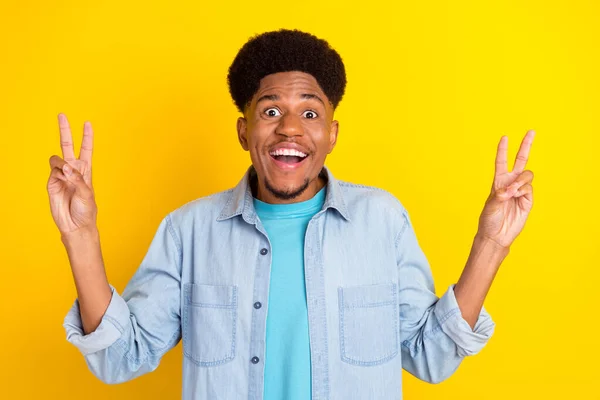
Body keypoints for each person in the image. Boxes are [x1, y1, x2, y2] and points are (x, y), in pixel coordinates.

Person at [47, 29, 535, 400]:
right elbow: (119, 358)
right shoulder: (188, 230)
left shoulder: (382, 221)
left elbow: (430, 356)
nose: (289, 131)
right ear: (244, 132)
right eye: (270, 111)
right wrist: (80, 235)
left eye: (309, 113)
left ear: (332, 134)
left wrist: (491, 244)